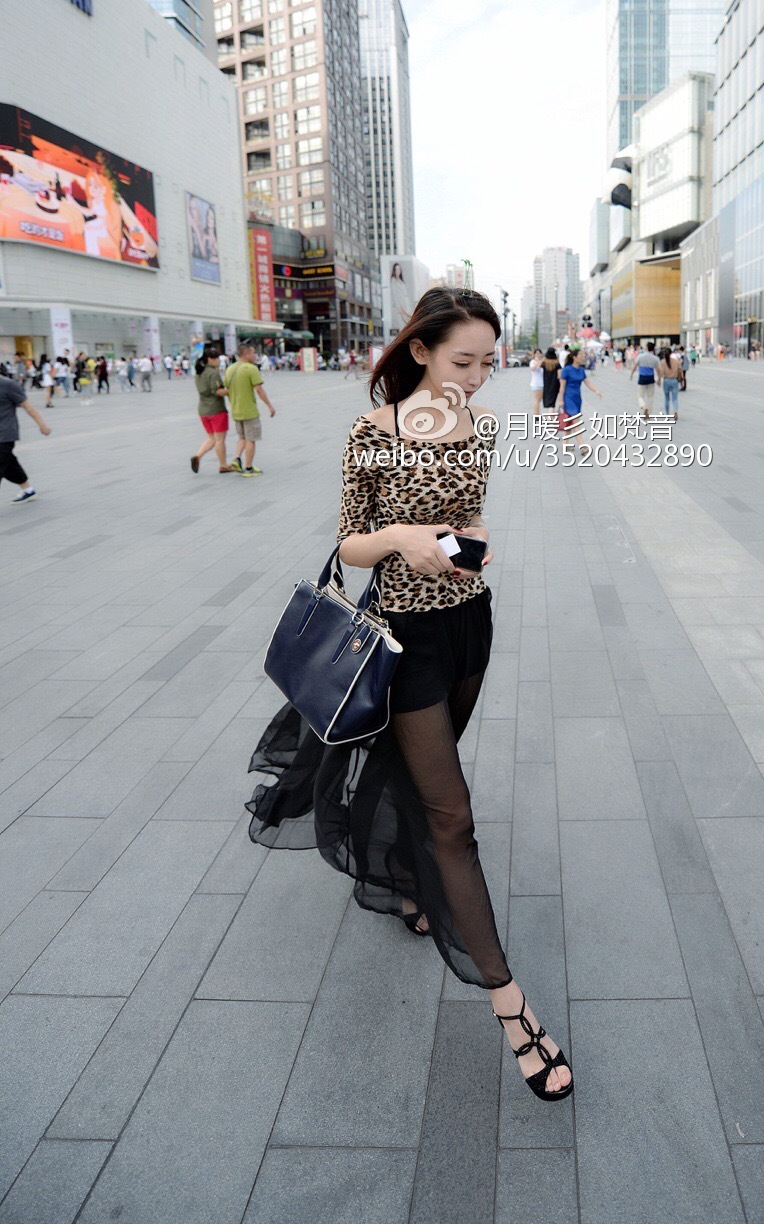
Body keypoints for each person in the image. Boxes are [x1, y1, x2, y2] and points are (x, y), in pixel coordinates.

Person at [246, 286, 573, 1100]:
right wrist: (398, 538)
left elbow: (475, 520)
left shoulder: (482, 428)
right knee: (452, 817)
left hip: (470, 627)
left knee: (424, 774)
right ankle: (510, 1004)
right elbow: (351, 543)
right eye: (463, 360)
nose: (475, 379)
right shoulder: (374, 433)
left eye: (489, 365)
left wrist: (471, 546)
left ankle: (394, 871)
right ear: (420, 350)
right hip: (404, 642)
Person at [0, 363, 51, 502]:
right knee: (10, 465)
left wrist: (42, 425)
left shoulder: (8, 385)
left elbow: (28, 406)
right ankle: (28, 490)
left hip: (5, 434)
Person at [225, 342, 276, 474]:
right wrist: (270, 406)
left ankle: (237, 459)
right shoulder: (250, 368)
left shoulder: (230, 369)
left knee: (242, 437)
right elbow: (259, 390)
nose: (255, 355)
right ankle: (248, 467)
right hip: (249, 411)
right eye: (253, 353)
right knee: (251, 439)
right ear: (246, 353)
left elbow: (227, 389)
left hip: (236, 410)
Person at [191, 344, 237, 475]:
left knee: (212, 438)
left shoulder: (199, 373)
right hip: (216, 410)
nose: (218, 361)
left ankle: (197, 457)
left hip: (203, 410)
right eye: (217, 359)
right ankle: (223, 465)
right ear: (210, 360)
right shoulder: (213, 373)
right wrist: (230, 390)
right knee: (219, 440)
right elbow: (216, 391)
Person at [558, 347, 602, 460]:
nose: (583, 357)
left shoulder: (581, 370)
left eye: (584, 355)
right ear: (574, 357)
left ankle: (564, 445)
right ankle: (582, 446)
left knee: (569, 423)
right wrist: (561, 400)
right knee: (576, 423)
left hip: (577, 399)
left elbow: (587, 382)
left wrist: (596, 390)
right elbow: (562, 386)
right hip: (568, 398)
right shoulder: (567, 370)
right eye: (581, 355)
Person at [630, 341, 660, 418]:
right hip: (651, 378)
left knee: (640, 396)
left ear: (646, 348)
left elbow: (634, 366)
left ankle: (644, 406)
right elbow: (658, 370)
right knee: (650, 396)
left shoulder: (640, 356)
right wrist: (659, 379)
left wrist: (631, 374)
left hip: (642, 378)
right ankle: (648, 412)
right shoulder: (655, 358)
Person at [659, 345, 683, 420]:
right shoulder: (676, 361)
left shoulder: (662, 362)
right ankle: (675, 410)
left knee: (667, 399)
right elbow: (680, 370)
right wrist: (680, 378)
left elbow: (660, 372)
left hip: (666, 380)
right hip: (674, 380)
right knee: (675, 399)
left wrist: (659, 380)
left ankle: (667, 414)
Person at [528, 349, 544, 416]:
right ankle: (536, 415)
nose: (538, 355)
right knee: (537, 400)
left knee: (539, 400)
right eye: (536, 353)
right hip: (535, 384)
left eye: (539, 353)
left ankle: (536, 413)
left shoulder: (542, 362)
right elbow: (532, 369)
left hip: (542, 383)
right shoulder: (532, 361)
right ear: (534, 354)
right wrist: (537, 362)